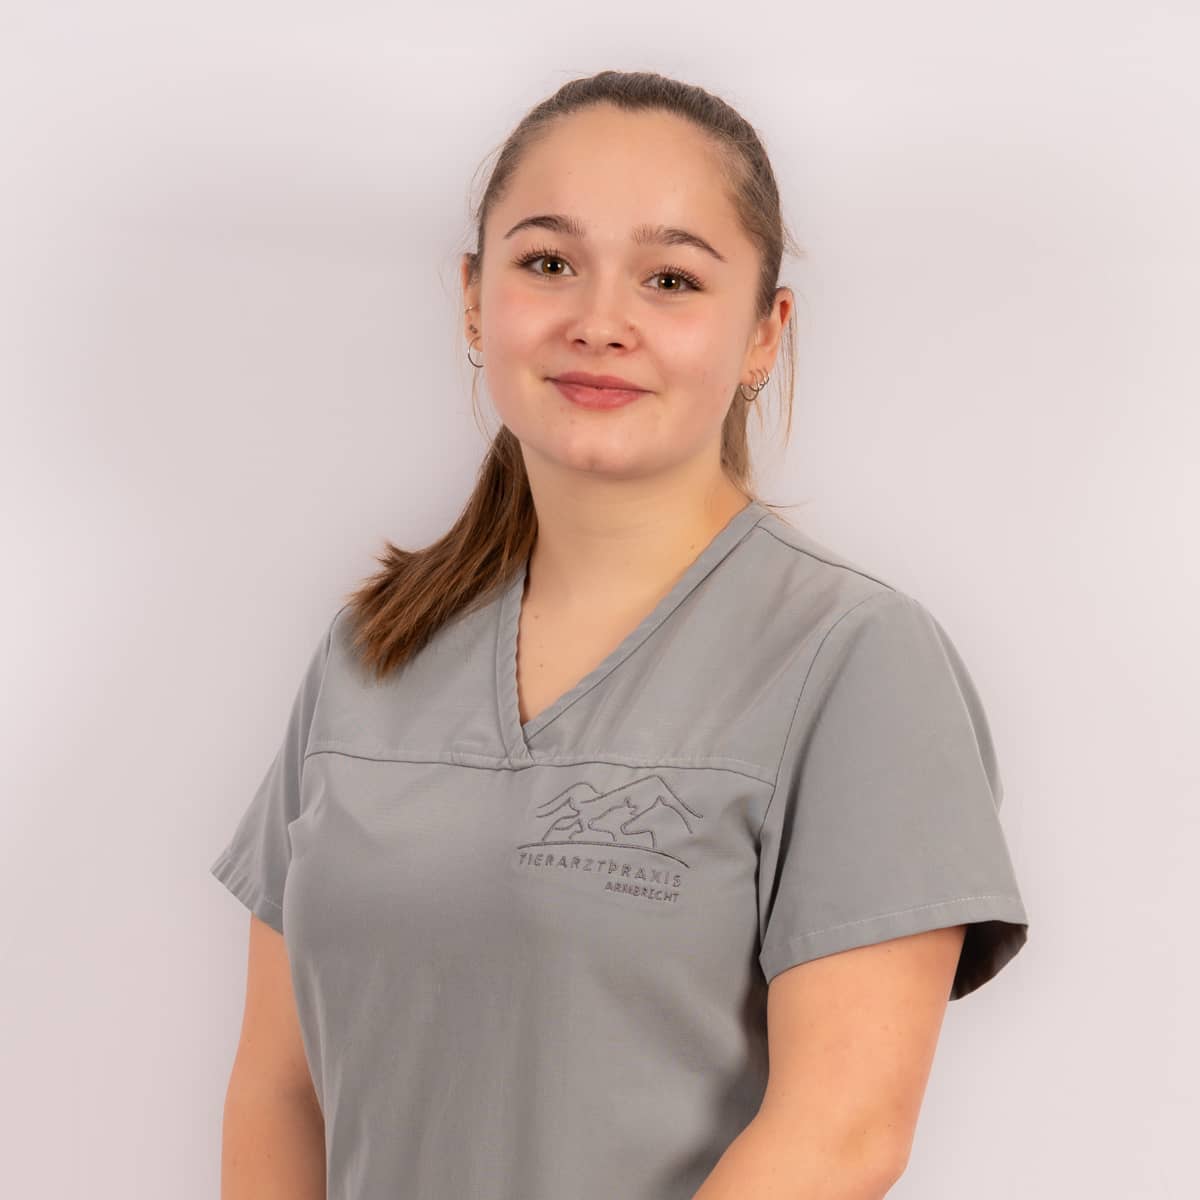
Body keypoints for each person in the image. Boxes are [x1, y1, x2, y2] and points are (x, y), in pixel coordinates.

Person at [210, 69, 1030, 1200]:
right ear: (473, 298)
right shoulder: (371, 651)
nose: (600, 322)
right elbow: (278, 1090)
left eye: (671, 278)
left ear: (764, 333)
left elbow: (840, 1133)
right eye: (548, 263)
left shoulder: (855, 660)